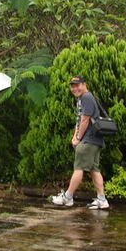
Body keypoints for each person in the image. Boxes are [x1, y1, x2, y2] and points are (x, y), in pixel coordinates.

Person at [51, 76, 110, 209]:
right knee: (95, 169)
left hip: (88, 140)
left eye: (77, 85)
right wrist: (75, 135)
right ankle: (102, 199)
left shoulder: (86, 98)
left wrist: (78, 138)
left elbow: (85, 120)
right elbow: (80, 120)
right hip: (95, 140)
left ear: (84, 84)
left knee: (78, 168)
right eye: (72, 86)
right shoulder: (83, 98)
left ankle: (68, 197)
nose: (74, 88)